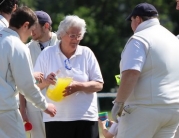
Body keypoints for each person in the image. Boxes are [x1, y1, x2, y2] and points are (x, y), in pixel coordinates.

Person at [111, 2, 179, 138]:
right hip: (173, 110)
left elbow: (131, 73)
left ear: (137, 19)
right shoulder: (173, 39)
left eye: (131, 21)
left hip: (144, 109)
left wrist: (119, 102)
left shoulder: (139, 39)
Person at [34, 15, 104, 138]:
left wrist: (79, 86)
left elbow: (99, 84)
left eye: (79, 36)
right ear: (61, 34)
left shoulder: (86, 53)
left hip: (85, 117)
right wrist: (46, 82)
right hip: (56, 118)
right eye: (72, 35)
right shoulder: (47, 54)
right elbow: (33, 86)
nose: (76, 39)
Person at [0, 6, 57, 138]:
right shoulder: (17, 45)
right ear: (26, 25)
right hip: (5, 111)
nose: (32, 34)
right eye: (31, 29)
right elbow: (25, 85)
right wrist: (44, 106)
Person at [19, 10, 59, 138]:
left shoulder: (62, 43)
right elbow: (21, 81)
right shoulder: (26, 49)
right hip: (34, 108)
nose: (30, 30)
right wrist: (23, 109)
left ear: (46, 26)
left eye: (34, 26)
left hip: (60, 106)